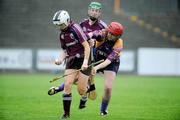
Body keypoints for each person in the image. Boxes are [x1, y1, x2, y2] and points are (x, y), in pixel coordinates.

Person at [48, 1, 107, 108]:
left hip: (94, 55)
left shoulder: (103, 25)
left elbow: (103, 40)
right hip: (81, 55)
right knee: (75, 80)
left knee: (84, 80)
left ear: (100, 13)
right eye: (92, 10)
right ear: (89, 10)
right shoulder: (82, 23)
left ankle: (66, 89)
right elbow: (77, 39)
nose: (94, 13)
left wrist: (95, 40)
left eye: (96, 11)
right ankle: (78, 93)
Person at [51, 10, 91, 119]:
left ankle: (87, 88)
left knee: (81, 90)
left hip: (84, 58)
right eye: (58, 26)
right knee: (67, 84)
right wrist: (59, 59)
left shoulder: (75, 29)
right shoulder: (62, 35)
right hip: (72, 60)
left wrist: (86, 62)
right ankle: (66, 114)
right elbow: (65, 51)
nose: (61, 27)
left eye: (62, 25)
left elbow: (87, 47)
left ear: (68, 20)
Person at [90, 22, 124, 116]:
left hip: (111, 63)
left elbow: (108, 61)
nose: (111, 36)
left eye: (114, 35)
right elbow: (91, 34)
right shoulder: (102, 33)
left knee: (108, 88)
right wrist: (90, 39)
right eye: (110, 33)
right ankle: (60, 88)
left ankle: (103, 110)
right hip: (96, 57)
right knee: (78, 78)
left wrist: (96, 68)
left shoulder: (119, 44)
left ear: (118, 36)